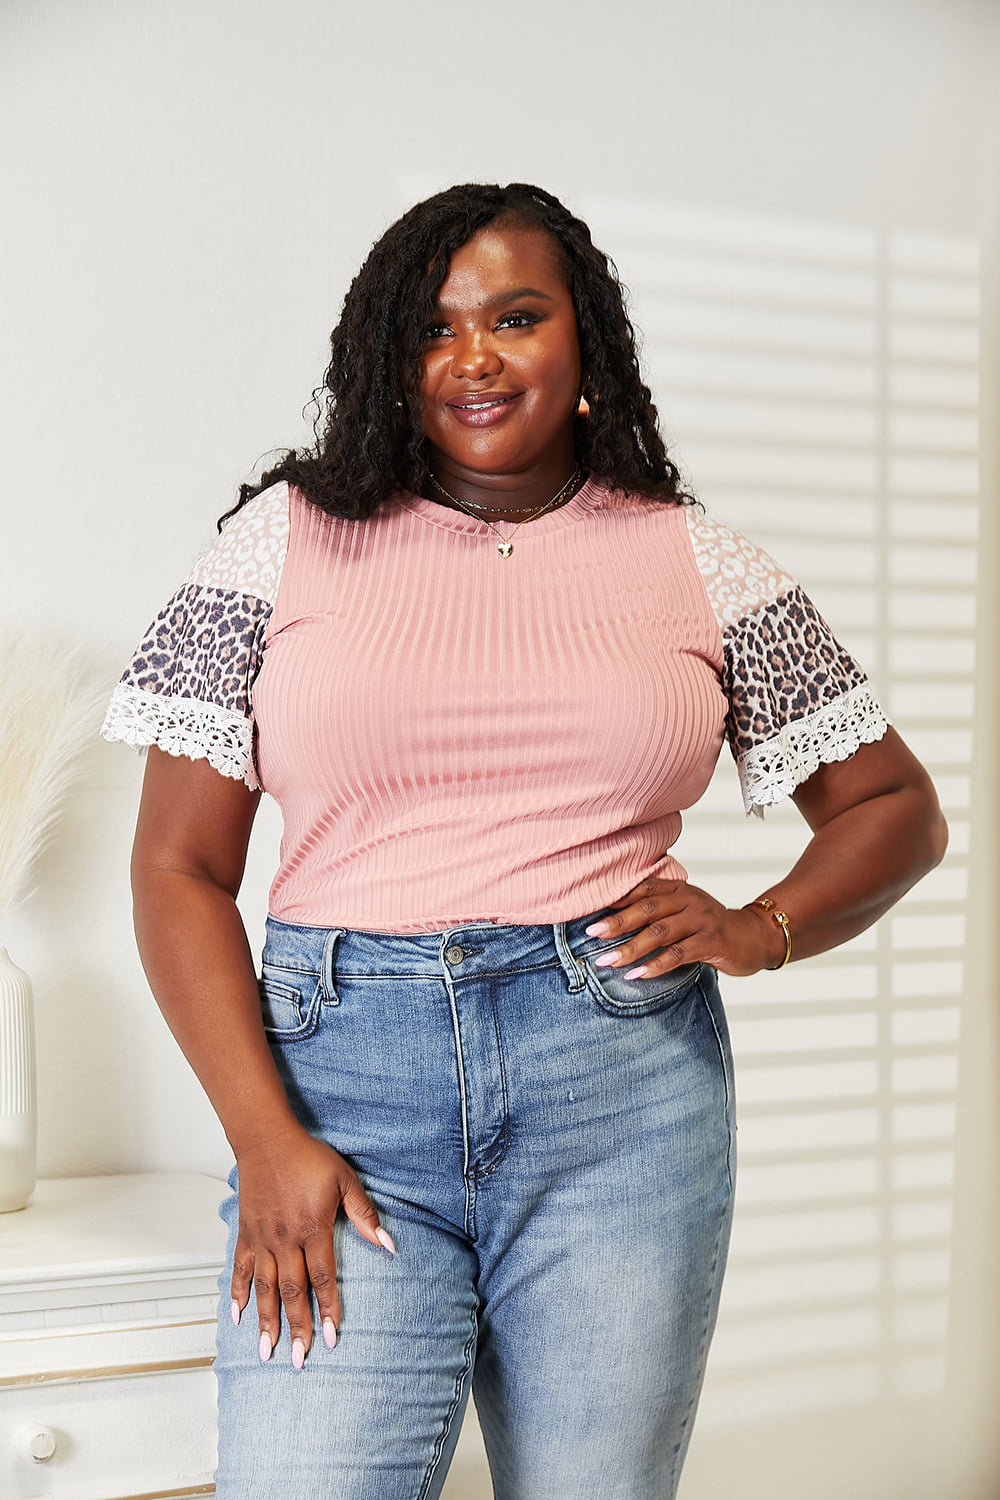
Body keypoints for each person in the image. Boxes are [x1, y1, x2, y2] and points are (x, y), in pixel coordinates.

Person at [102, 182, 947, 1500]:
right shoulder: (285, 546)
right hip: (341, 1097)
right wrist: (266, 1138)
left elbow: (895, 807)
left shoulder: (698, 564)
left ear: (585, 345)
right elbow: (179, 869)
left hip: (619, 1092)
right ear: (390, 360)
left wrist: (764, 928)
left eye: (516, 317)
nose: (476, 358)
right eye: (435, 330)